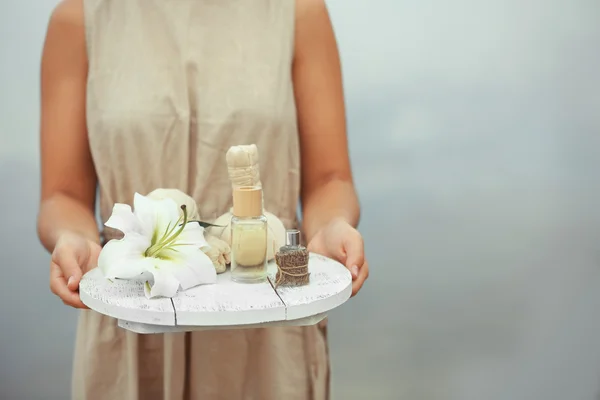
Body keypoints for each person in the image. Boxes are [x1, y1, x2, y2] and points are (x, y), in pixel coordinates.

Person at [37, 0, 369, 398]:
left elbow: (329, 180)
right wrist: (75, 240)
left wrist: (332, 226)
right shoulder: (80, 17)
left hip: (268, 319)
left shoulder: (298, 11)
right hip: (132, 315)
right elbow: (63, 194)